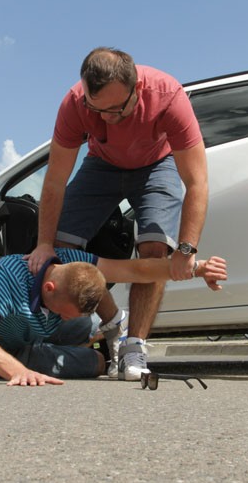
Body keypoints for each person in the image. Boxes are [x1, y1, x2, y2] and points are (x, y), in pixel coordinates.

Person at [25, 47, 208, 381]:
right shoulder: (74, 104)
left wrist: (186, 249)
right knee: (64, 251)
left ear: (136, 89)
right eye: (96, 110)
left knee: (155, 249)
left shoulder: (168, 97)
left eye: (115, 110)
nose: (105, 118)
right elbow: (54, 182)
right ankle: (113, 324)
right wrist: (44, 244)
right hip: (102, 164)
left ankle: (135, 346)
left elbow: (197, 182)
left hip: (157, 164)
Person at [0, 249, 226, 386]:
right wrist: (18, 372)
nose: (66, 317)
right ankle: (71, 347)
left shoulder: (71, 260)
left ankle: (106, 330)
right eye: (63, 312)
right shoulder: (7, 279)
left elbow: (137, 270)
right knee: (95, 363)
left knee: (88, 324)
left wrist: (196, 268)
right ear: (49, 288)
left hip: (39, 326)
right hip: (6, 349)